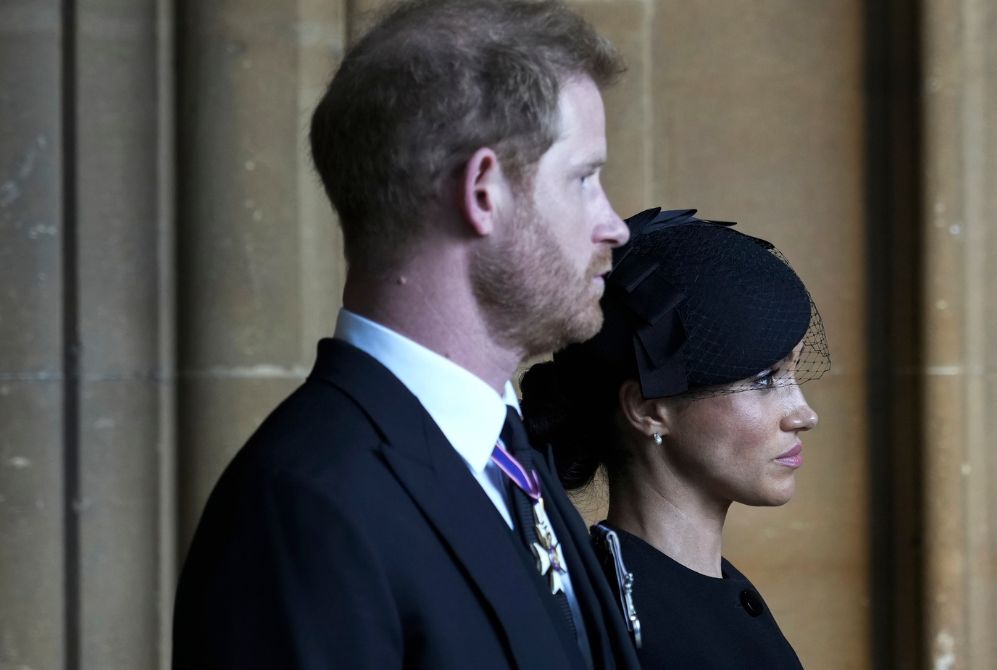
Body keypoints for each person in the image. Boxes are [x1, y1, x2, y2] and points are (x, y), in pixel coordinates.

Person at [172, 1, 642, 668]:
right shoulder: (307, 506)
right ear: (484, 192)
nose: (614, 224)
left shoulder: (508, 457)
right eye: (584, 179)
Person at [520, 208, 830, 670]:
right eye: (765, 380)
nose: (805, 415)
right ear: (649, 410)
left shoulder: (704, 592)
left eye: (790, 372)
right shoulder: (621, 626)